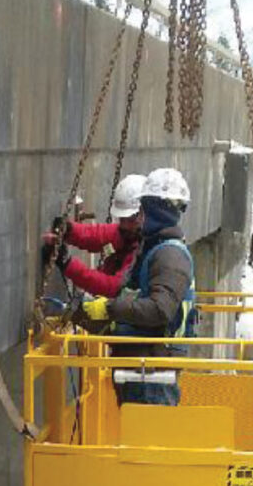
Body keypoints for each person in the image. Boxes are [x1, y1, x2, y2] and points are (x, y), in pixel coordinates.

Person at [82, 168, 195, 405]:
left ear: (155, 210)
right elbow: (130, 294)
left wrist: (110, 309)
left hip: (152, 370)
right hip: (141, 365)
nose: (139, 215)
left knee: (148, 439)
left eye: (143, 208)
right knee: (138, 434)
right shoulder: (154, 248)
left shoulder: (170, 255)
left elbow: (159, 309)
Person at [42, 175, 145, 298]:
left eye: (129, 220)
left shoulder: (144, 249)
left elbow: (114, 287)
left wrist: (67, 263)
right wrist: (69, 230)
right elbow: (100, 234)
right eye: (122, 219)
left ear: (143, 214)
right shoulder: (131, 233)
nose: (124, 225)